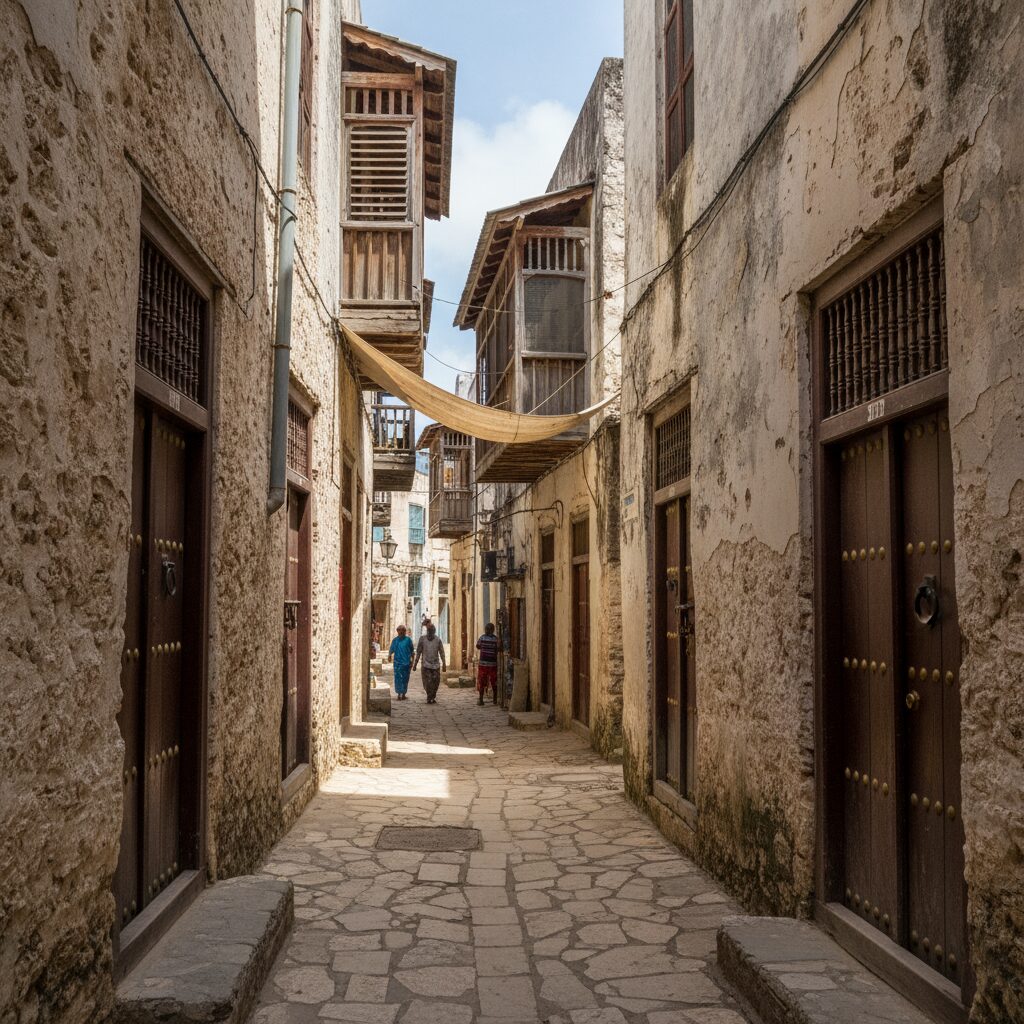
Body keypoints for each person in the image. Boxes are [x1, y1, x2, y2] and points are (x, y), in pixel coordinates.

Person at [413, 621, 446, 704]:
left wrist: (444, 663)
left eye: (432, 631)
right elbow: (418, 652)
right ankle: (429, 696)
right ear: (427, 631)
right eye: (429, 631)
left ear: (434, 631)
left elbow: (442, 652)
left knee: (436, 682)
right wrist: (415, 664)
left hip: (436, 665)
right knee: (427, 683)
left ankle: (432, 696)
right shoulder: (422, 639)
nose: (430, 632)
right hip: (425, 665)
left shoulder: (438, 640)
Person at [475, 622, 499, 705]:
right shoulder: (496, 639)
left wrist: (484, 647)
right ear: (493, 630)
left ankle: (481, 699)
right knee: (494, 681)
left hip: (483, 664)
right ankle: (495, 699)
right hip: (493, 664)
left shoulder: (482, 638)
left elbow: (478, 646)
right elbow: (498, 648)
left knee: (482, 681)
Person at [388, 625, 414, 701]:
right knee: (398, 678)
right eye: (399, 630)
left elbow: (412, 651)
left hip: (406, 663)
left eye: (403, 630)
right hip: (397, 663)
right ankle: (399, 694)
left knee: (405, 678)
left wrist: (412, 661)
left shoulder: (408, 640)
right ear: (397, 631)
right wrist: (389, 655)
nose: (401, 632)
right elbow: (391, 649)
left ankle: (404, 694)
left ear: (405, 632)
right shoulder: (395, 640)